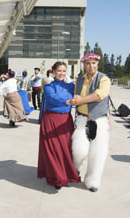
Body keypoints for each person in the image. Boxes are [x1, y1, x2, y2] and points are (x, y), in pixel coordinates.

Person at [69, 53, 111, 192]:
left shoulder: (104, 79)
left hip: (99, 120)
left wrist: (80, 100)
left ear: (97, 64)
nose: (91, 66)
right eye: (88, 63)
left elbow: (100, 95)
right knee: (79, 151)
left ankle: (92, 181)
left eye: (93, 63)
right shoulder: (79, 79)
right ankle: (75, 169)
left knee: (98, 153)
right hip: (81, 119)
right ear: (84, 65)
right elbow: (75, 94)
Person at [37, 61, 80, 190]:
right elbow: (52, 99)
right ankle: (57, 177)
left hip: (66, 121)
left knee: (66, 148)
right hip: (51, 121)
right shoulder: (48, 86)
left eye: (64, 71)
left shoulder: (71, 86)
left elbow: (80, 94)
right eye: (59, 71)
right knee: (54, 149)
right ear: (54, 72)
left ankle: (66, 172)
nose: (61, 73)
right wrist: (67, 101)